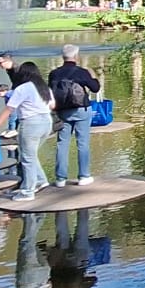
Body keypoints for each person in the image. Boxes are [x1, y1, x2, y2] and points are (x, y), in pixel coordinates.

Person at [0, 59, 54, 201]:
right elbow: (52, 105)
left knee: (27, 158)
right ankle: (40, 180)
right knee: (30, 155)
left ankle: (27, 192)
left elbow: (9, 109)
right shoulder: (44, 88)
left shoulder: (23, 88)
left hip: (31, 123)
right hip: (47, 122)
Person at [49, 43, 101, 187]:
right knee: (82, 143)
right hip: (81, 109)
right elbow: (95, 88)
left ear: (63, 57)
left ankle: (60, 179)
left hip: (62, 111)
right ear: (76, 56)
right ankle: (84, 176)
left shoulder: (54, 73)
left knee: (62, 143)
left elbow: (50, 92)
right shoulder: (81, 72)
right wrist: (93, 76)